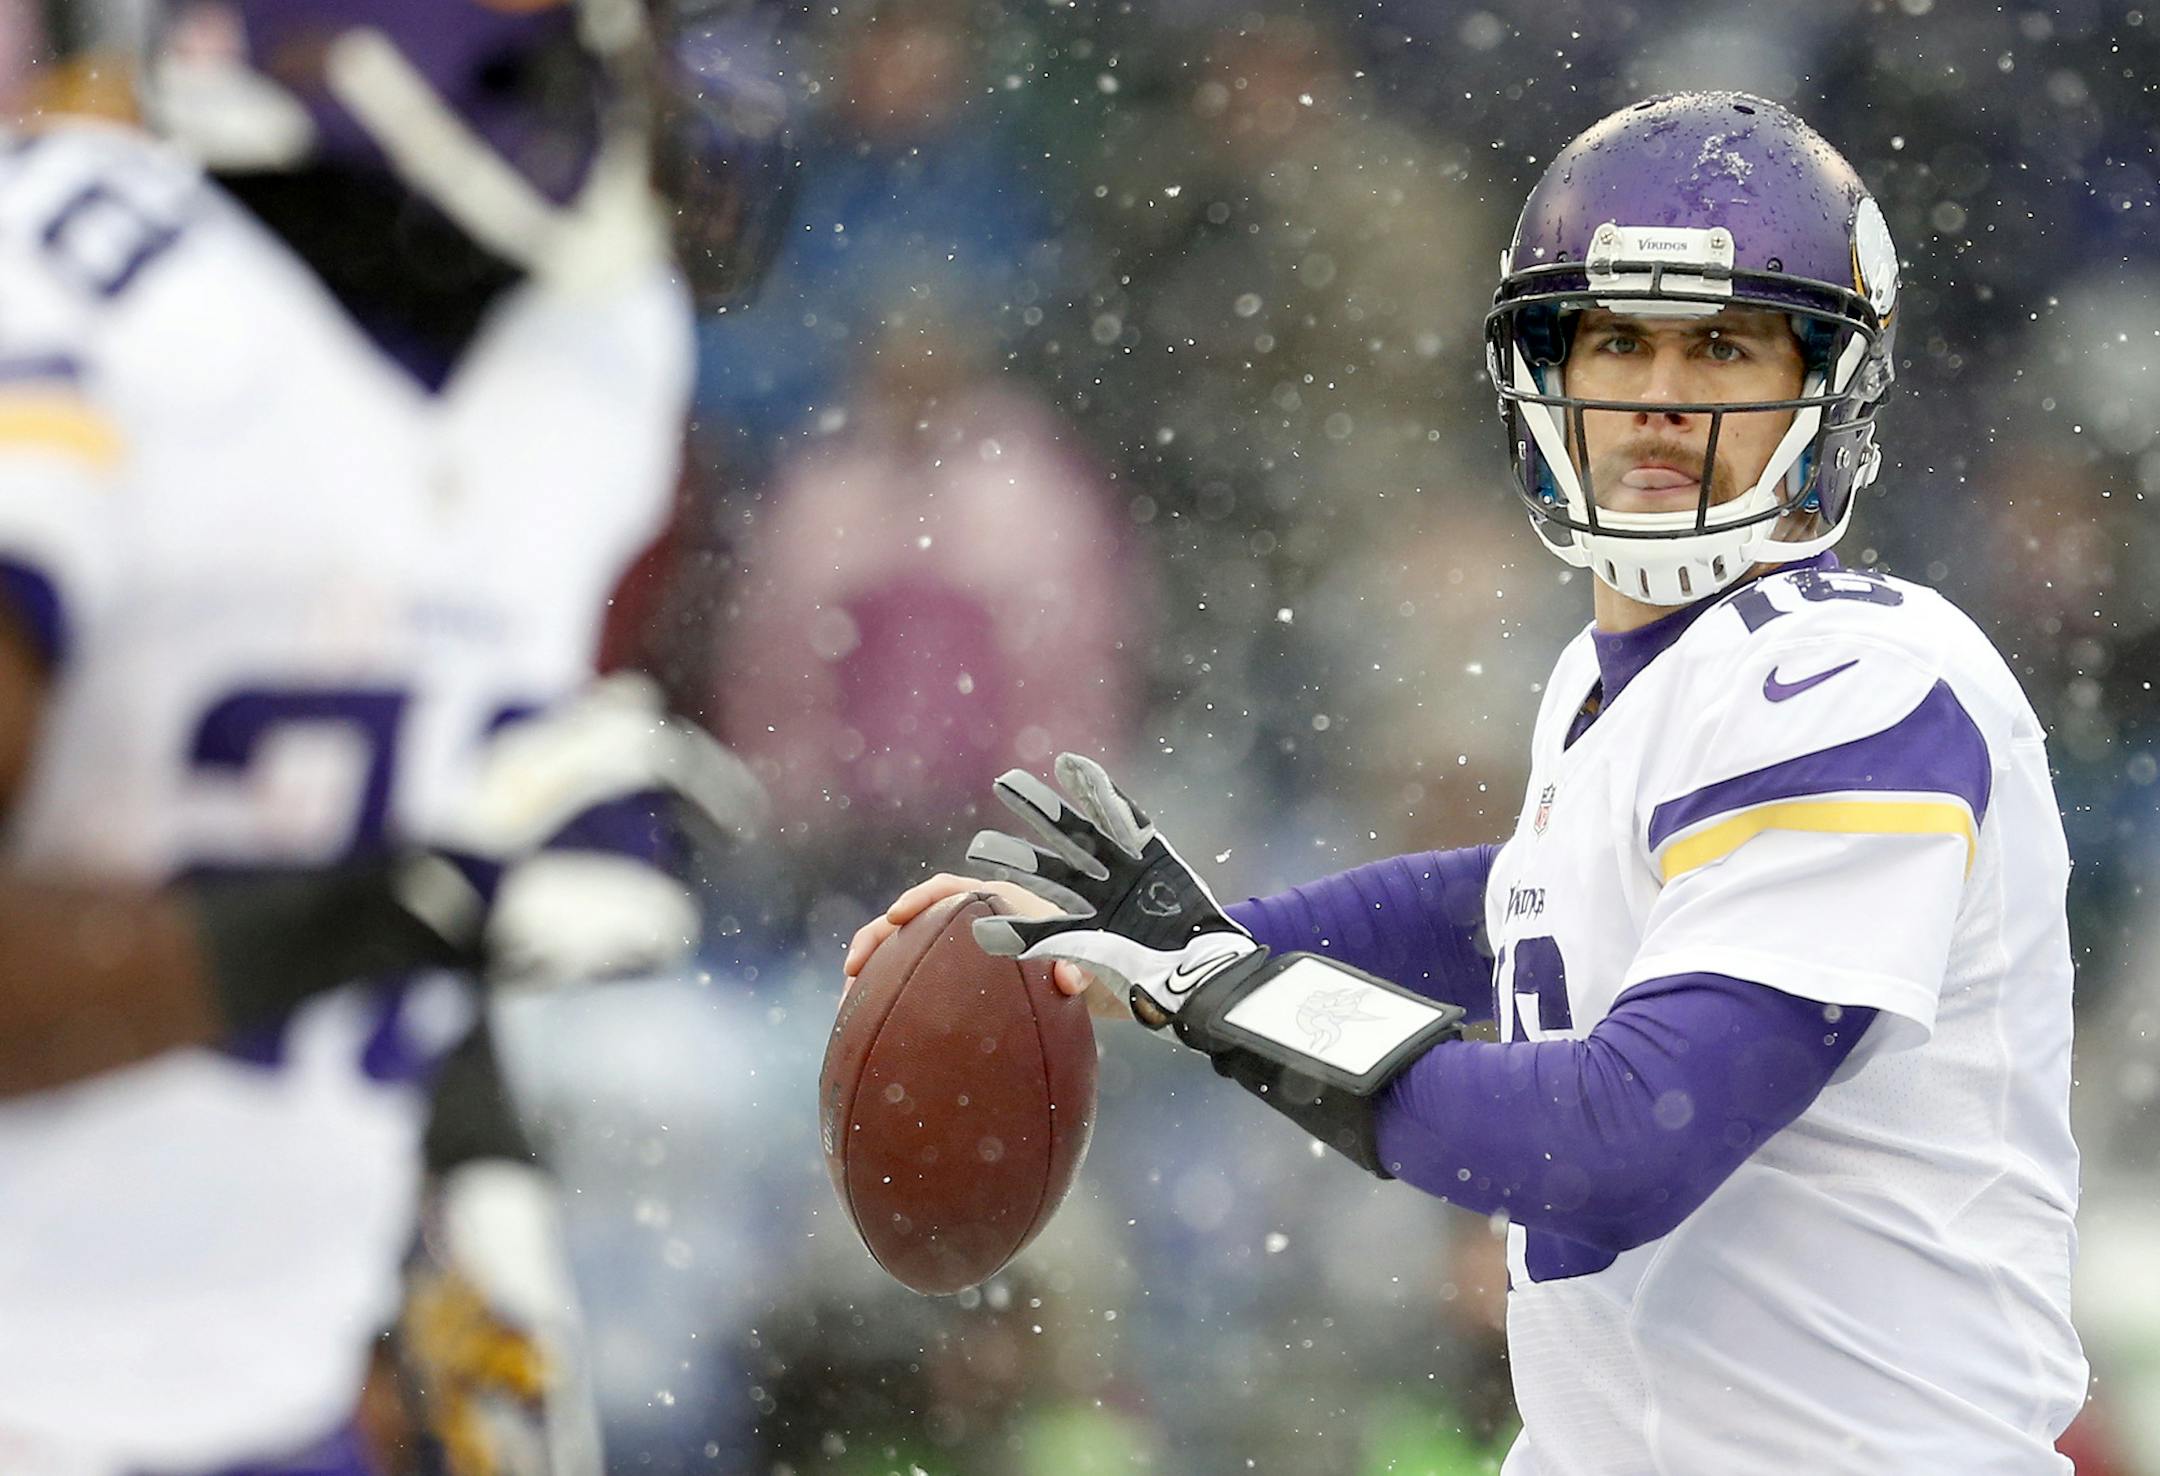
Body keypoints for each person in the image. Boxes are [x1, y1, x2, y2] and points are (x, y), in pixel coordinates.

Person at [846, 93, 2086, 1473]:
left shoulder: (1859, 682)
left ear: (1831, 389)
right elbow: (1523, 905)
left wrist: (1230, 999)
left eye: (1725, 342)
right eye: (1618, 339)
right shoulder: (1621, 686)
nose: (1663, 394)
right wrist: (1198, 942)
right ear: (1544, 373)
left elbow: (1626, 1145)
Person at [0, 3, 788, 1472]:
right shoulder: (72, 293)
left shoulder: (592, 360)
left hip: (264, 1411)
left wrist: (491, 1239)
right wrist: (408, 908)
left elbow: (440, 897)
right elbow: (424, 892)